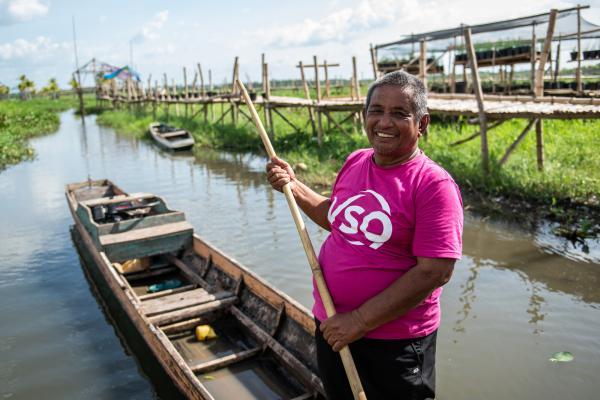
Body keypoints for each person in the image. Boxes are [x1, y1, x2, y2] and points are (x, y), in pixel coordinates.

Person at [266, 71, 463, 400]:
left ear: (422, 123)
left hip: (394, 343)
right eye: (377, 110)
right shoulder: (356, 160)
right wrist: (292, 184)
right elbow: (338, 217)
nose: (385, 122)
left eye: (400, 113)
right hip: (332, 325)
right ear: (365, 116)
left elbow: (436, 271)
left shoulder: (433, 185)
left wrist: (358, 320)